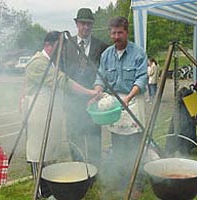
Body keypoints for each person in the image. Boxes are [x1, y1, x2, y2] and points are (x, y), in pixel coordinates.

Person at [25, 31, 98, 199]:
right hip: (39, 115)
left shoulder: (50, 62)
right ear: (48, 46)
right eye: (59, 49)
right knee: (39, 154)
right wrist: (90, 92)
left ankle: (50, 191)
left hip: (51, 115)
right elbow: (63, 81)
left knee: (51, 154)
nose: (62, 53)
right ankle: (41, 193)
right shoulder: (38, 63)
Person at [93, 16, 148, 196]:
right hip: (115, 103)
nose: (116, 37)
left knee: (135, 146)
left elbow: (142, 78)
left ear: (127, 32)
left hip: (133, 101)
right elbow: (100, 77)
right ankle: (124, 181)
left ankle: (137, 184)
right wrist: (97, 91)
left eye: (120, 33)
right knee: (118, 144)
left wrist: (129, 97)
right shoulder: (106, 54)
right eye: (113, 33)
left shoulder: (138, 53)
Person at [61, 8, 107, 167]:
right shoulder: (66, 45)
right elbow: (60, 73)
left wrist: (98, 93)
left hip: (93, 100)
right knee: (74, 137)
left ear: (92, 25)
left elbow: (104, 73)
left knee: (94, 136)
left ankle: (96, 171)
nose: (86, 27)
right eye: (82, 23)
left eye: (89, 24)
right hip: (72, 102)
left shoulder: (101, 46)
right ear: (76, 24)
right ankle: (78, 170)